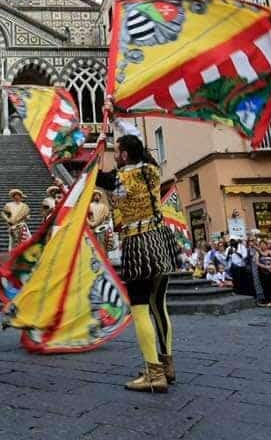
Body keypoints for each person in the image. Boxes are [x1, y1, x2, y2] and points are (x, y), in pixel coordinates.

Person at [97, 116, 177, 393]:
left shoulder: (122, 178)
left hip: (138, 244)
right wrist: (115, 119)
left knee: (140, 308)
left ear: (125, 154)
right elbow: (136, 140)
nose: (115, 155)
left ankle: (153, 372)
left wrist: (96, 153)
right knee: (160, 306)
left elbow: (97, 179)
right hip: (162, 240)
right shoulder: (153, 170)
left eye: (117, 151)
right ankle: (167, 365)